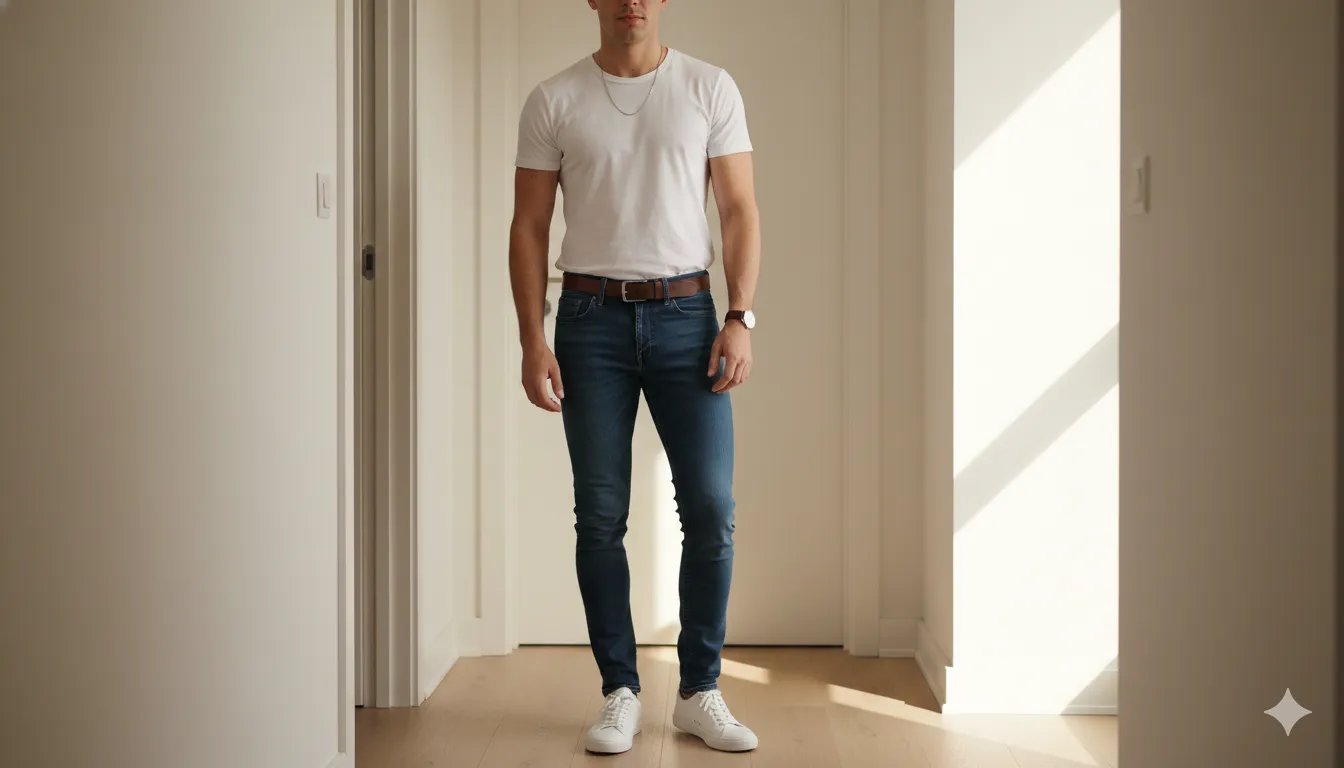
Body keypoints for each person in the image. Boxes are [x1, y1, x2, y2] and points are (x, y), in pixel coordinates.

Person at [507, 0, 762, 756]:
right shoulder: (554, 100)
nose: (633, 2)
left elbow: (740, 206)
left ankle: (698, 690)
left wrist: (741, 316)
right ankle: (619, 689)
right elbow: (528, 226)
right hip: (589, 321)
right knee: (599, 515)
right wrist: (532, 337)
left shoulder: (710, 88)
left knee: (712, 509)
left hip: (689, 315)